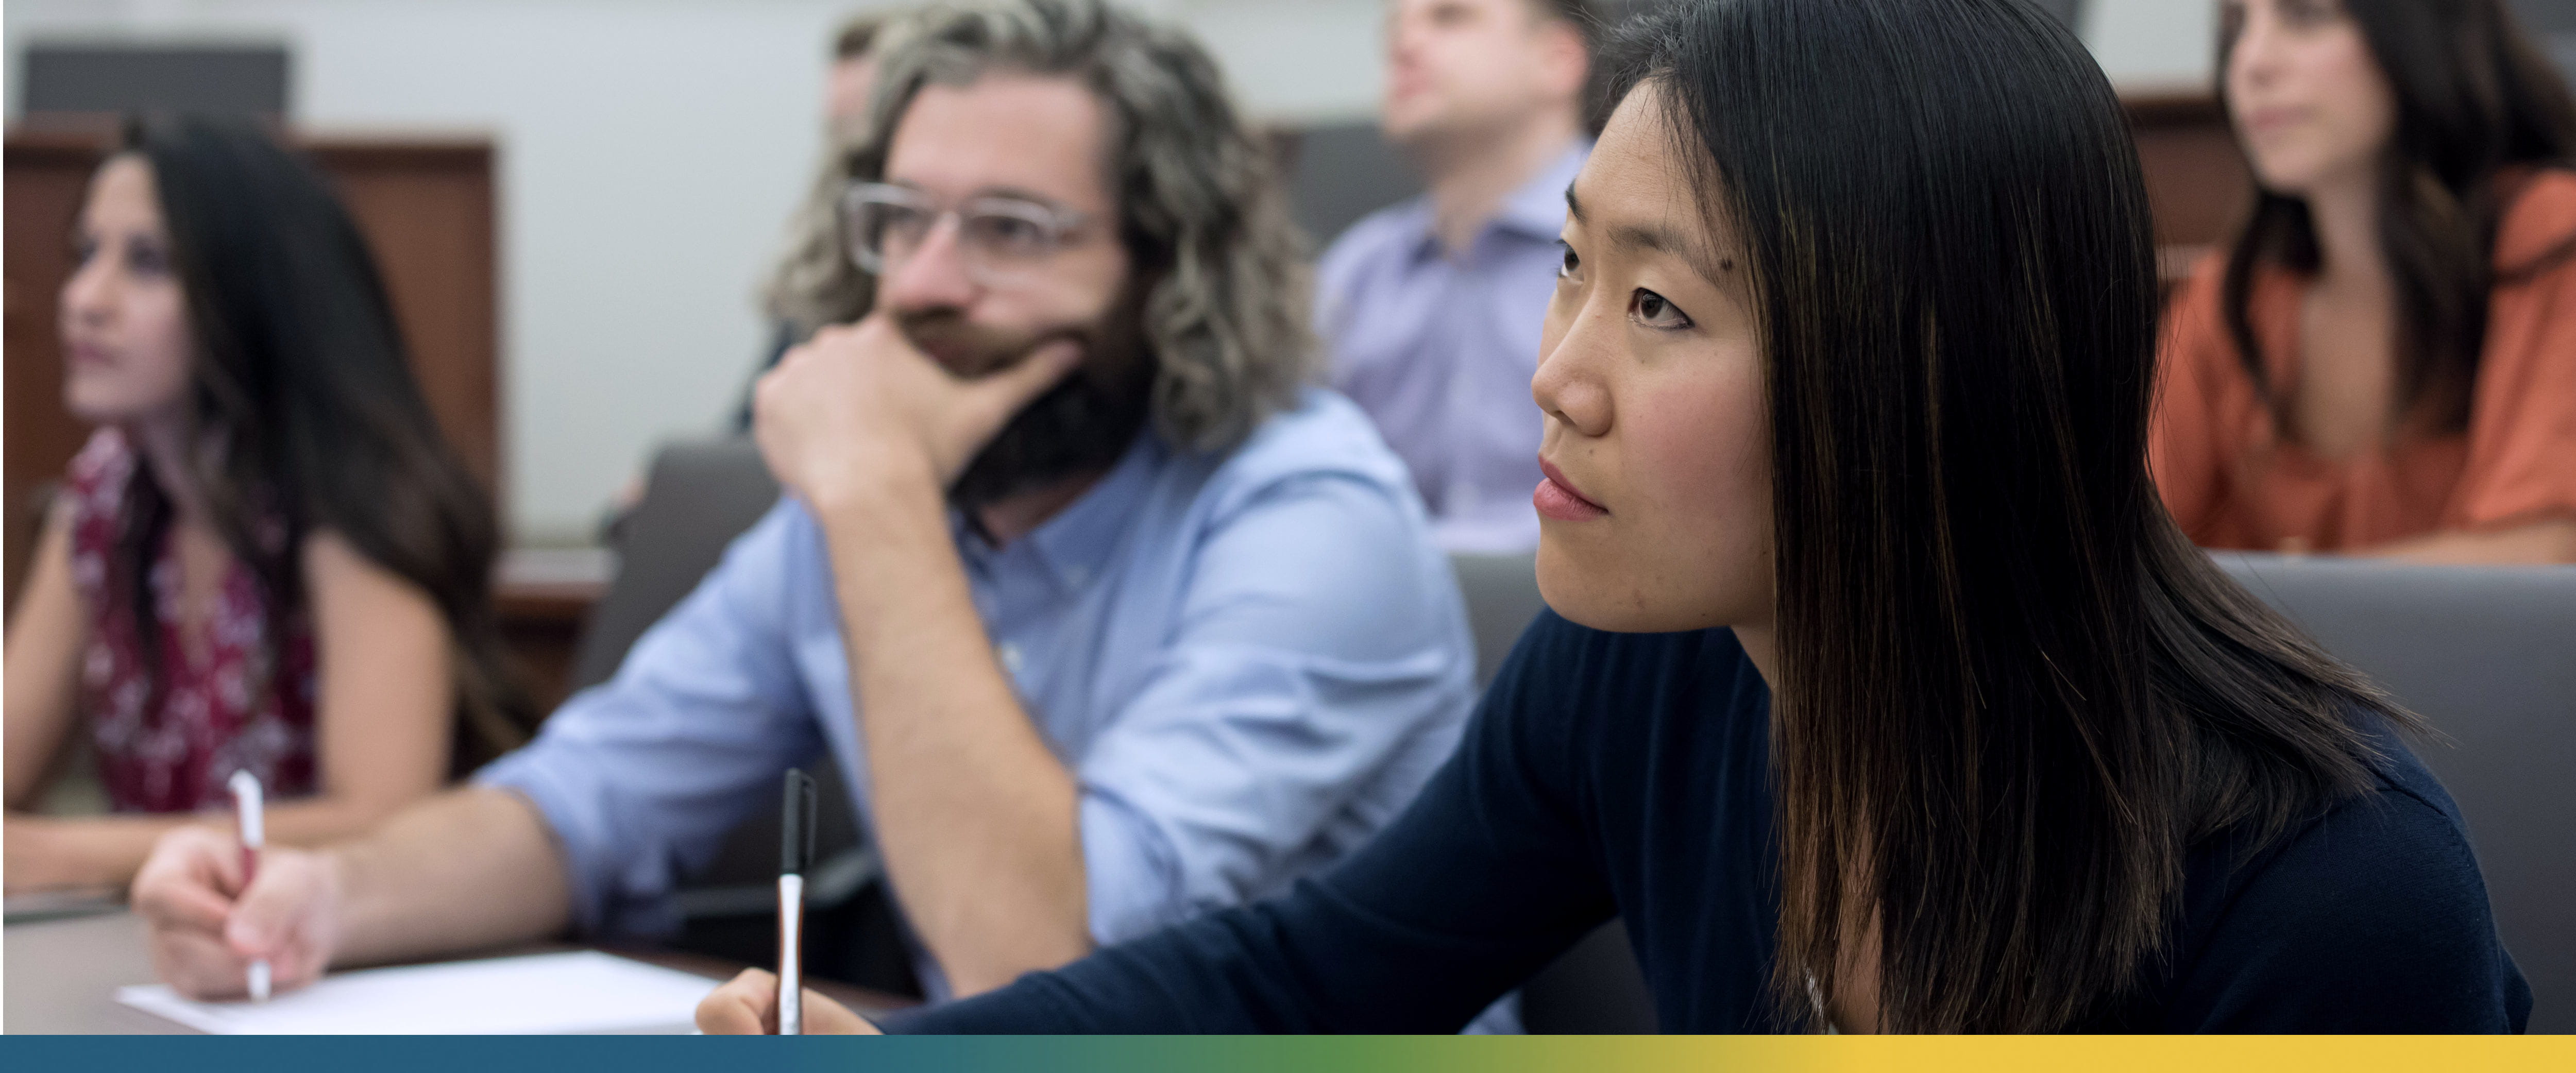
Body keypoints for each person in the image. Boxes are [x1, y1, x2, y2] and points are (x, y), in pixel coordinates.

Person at [700, 0, 2531, 1034]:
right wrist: (915, 1056)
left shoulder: (2324, 888)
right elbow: (1308, 973)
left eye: (1656, 306)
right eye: (1569, 269)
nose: (1554, 376)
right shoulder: (1649, 665)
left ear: (1918, 381)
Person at [131, 0, 1481, 1018]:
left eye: (1011, 229)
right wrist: (327, 897)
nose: (923, 286)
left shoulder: (1313, 519)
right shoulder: (877, 499)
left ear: (1171, 271)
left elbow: (1043, 970)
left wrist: (879, 497)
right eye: (902, 218)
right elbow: (586, 799)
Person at [4, 116, 530, 894]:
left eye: (147, 264)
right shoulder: (104, 495)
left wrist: (64, 855)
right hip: (160, 940)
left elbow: (385, 818)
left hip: (344, 947)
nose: (84, 299)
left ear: (254, 294)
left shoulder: (346, 499)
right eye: (86, 255)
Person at [2153, 0, 2576, 562]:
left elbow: (2545, 552)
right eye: (2235, 28)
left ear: (2420, 32)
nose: (2250, 63)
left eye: (2305, 16)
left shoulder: (2550, 235)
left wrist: (2283, 593)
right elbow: (2119, 557)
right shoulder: (2229, 295)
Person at [1315, 0, 1598, 552]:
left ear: (1557, 59)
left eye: (1450, 17)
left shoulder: (1650, 247)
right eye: (1395, 29)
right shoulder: (1356, 271)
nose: (1403, 46)